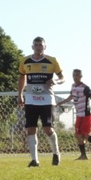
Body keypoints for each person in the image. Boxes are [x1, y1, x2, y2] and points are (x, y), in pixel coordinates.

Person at [17, 37, 63, 167]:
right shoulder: (25, 61)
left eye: (40, 45)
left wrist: (56, 81)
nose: (38, 47)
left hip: (47, 99)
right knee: (31, 129)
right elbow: (21, 78)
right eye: (36, 45)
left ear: (45, 47)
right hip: (31, 99)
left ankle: (56, 153)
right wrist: (20, 94)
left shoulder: (52, 61)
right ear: (32, 47)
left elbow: (62, 77)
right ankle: (35, 160)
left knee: (48, 128)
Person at [56, 69, 91, 159]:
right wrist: (61, 102)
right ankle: (83, 155)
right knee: (78, 135)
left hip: (86, 114)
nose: (75, 77)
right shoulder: (73, 86)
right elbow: (71, 96)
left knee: (84, 134)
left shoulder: (85, 87)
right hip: (79, 114)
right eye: (74, 75)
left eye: (77, 75)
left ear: (81, 76)